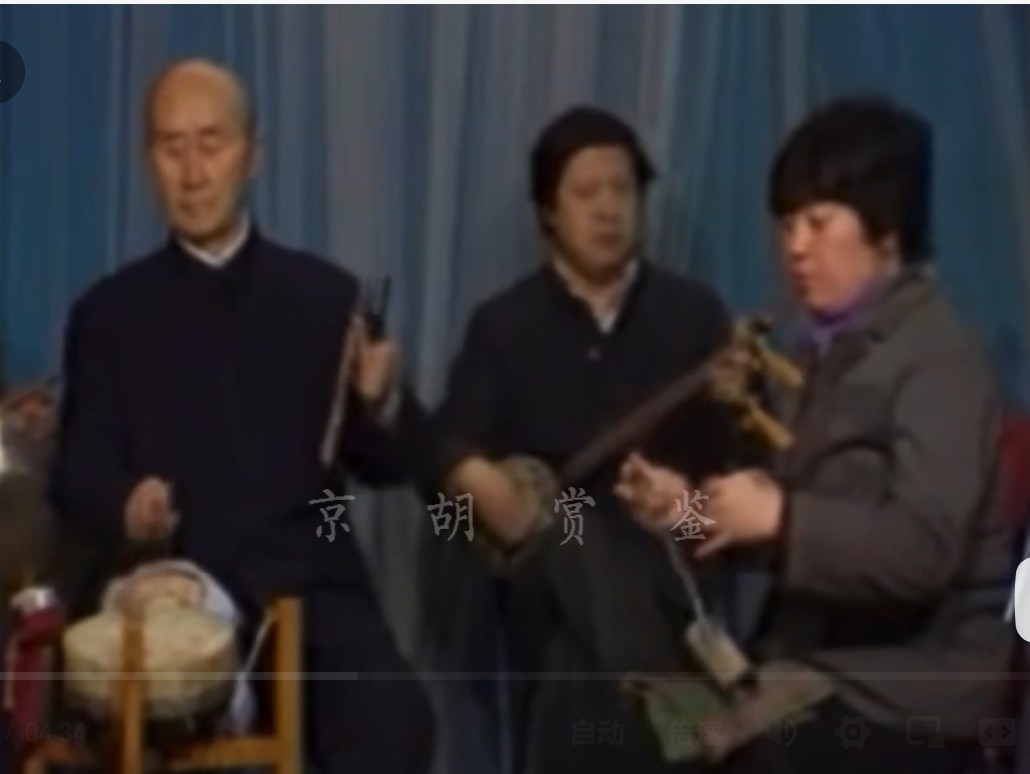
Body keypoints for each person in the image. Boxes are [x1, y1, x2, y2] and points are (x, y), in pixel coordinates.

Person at [49, 58, 434, 774]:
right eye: (172, 148)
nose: (194, 173)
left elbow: (392, 464)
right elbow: (76, 473)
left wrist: (381, 401)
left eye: (212, 144)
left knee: (394, 719)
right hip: (176, 595)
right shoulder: (108, 315)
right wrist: (126, 503)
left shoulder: (327, 298)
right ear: (148, 163)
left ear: (253, 155)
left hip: (312, 593)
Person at [614, 96, 1014, 774]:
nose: (796, 247)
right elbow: (778, 528)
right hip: (815, 667)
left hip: (906, 688)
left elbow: (924, 550)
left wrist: (782, 518)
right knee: (631, 722)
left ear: (885, 228)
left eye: (819, 223)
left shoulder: (941, 356)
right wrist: (688, 513)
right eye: (787, 224)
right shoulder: (814, 357)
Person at [428, 106, 742, 774]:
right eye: (586, 192)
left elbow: (741, 475)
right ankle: (687, 724)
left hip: (671, 565)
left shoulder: (694, 315)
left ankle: (662, 708)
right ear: (548, 210)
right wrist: (475, 477)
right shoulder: (503, 327)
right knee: (577, 543)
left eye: (622, 190)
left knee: (576, 679)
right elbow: (448, 452)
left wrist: (689, 500)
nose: (608, 210)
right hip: (550, 572)